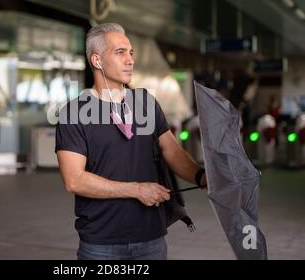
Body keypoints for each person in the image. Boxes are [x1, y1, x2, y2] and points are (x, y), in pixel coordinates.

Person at [55, 23, 206, 260]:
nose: (130, 60)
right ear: (97, 61)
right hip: (101, 243)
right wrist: (137, 190)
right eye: (120, 52)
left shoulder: (146, 103)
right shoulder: (74, 113)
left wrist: (201, 177)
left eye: (131, 52)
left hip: (152, 239)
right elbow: (74, 180)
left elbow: (172, 152)